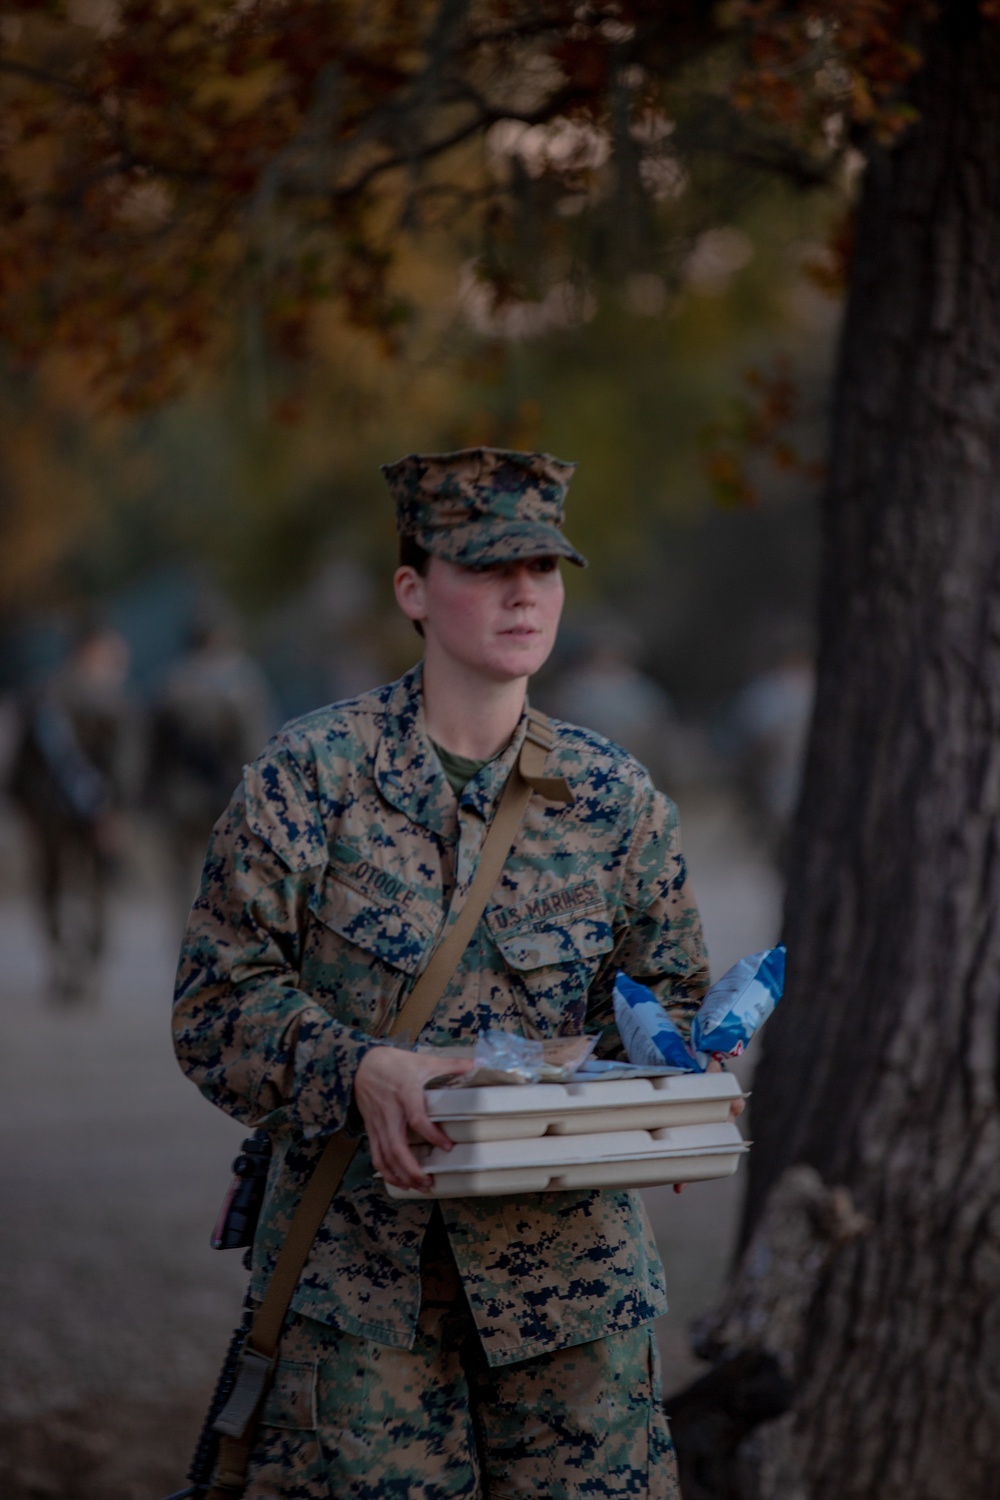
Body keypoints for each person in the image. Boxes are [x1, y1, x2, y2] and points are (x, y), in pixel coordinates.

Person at [173, 447, 714, 1499]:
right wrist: (355, 1068)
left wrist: (672, 1083)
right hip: (358, 1298)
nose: (524, 592)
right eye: (488, 566)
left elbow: (673, 994)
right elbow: (213, 1006)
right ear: (413, 590)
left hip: (574, 1297)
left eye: (545, 568)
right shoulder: (308, 780)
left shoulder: (615, 800)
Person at [9, 623, 134, 1003]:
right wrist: (118, 811)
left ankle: (64, 962)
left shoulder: (41, 695)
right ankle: (89, 966)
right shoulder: (112, 701)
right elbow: (126, 764)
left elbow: (20, 762)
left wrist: (23, 806)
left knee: (52, 888)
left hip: (47, 813)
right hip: (95, 811)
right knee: (97, 889)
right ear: (92, 652)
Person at [148, 617, 277, 930]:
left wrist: (151, 796)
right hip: (230, 798)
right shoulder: (244, 681)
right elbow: (257, 745)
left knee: (181, 881)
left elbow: (154, 748)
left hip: (180, 801)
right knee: (234, 878)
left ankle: (184, 947)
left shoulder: (172, 683)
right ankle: (221, 951)